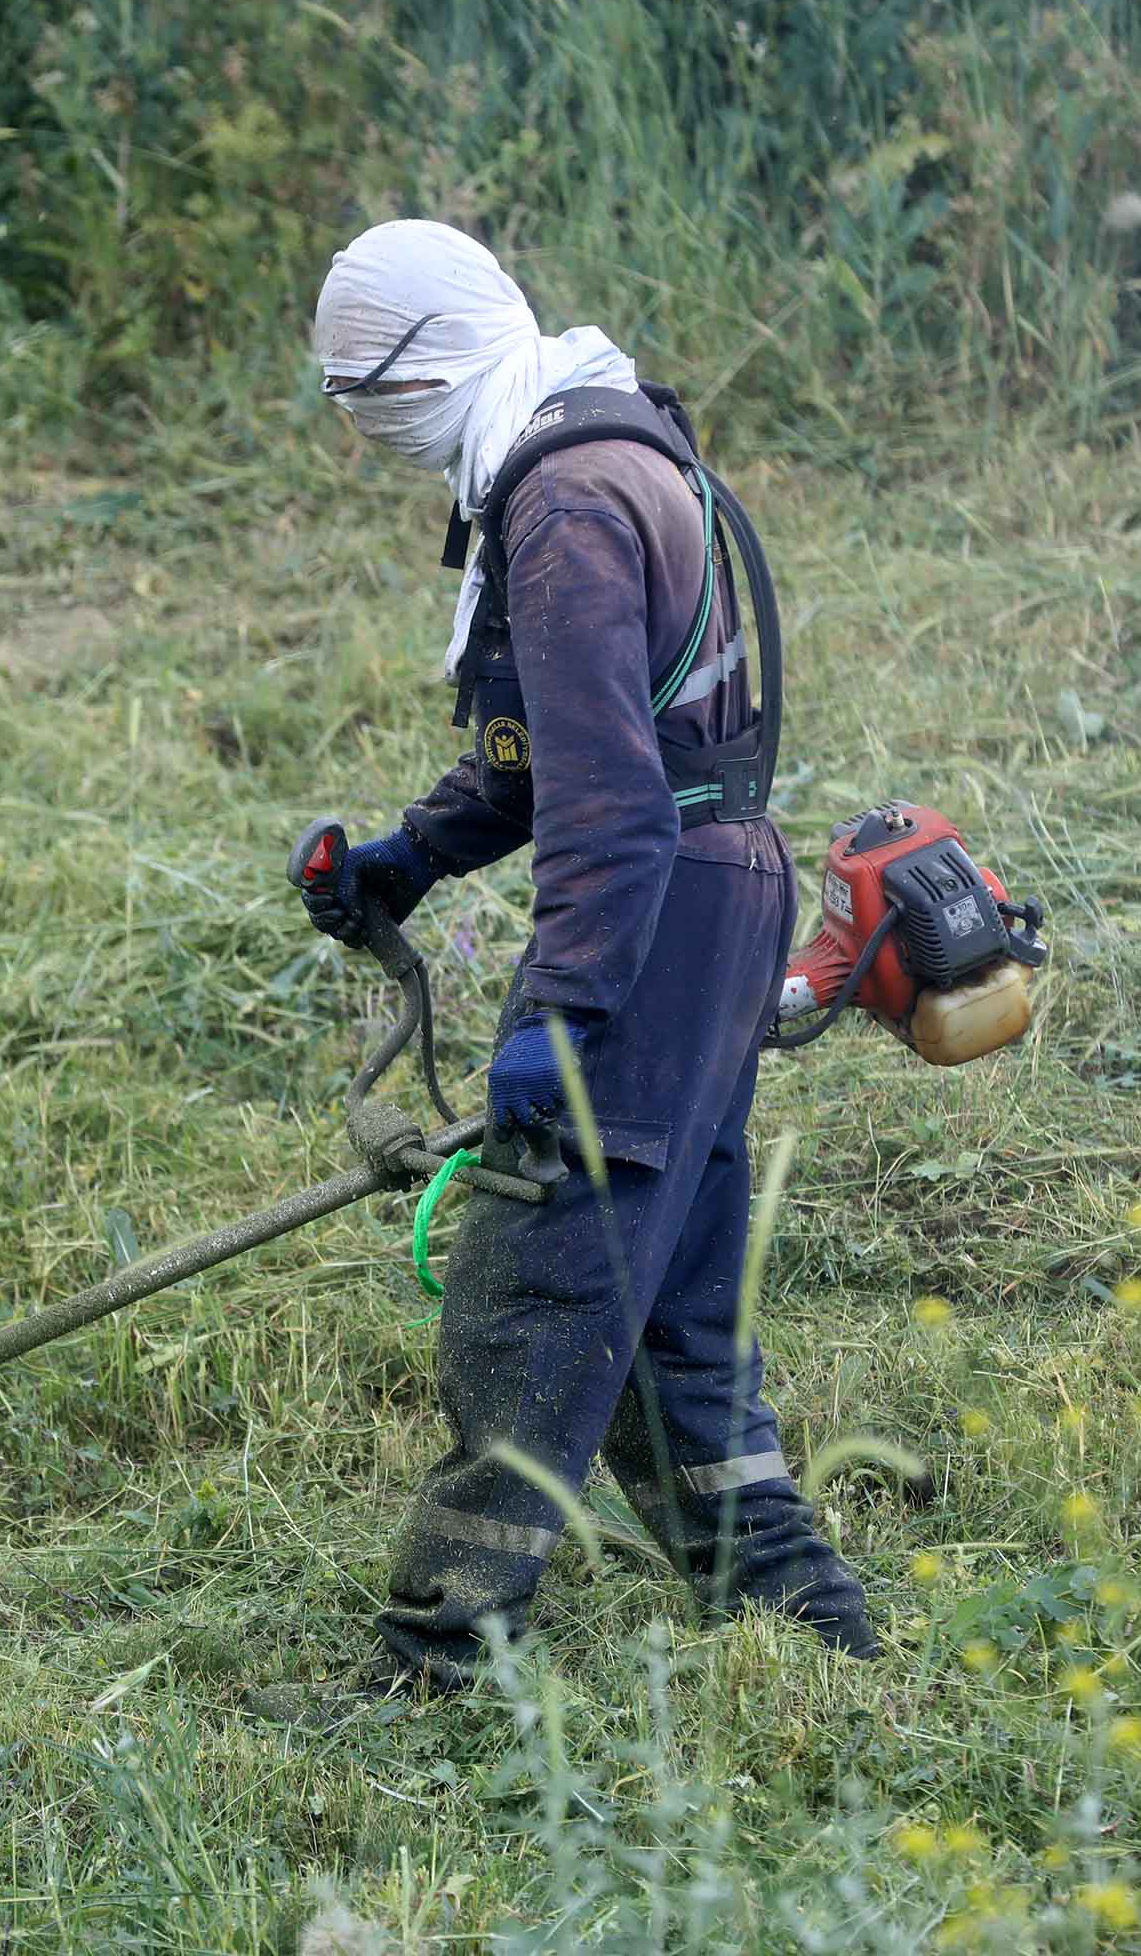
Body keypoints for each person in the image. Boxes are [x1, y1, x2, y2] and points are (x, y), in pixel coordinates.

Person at [301, 220, 877, 1689]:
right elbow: (549, 763)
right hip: (717, 898)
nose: (372, 439)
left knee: (537, 1289)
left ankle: (443, 1649)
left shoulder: (559, 502)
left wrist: (553, 1023)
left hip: (652, 915)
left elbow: (609, 813)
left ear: (417, 373)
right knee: (673, 1291)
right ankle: (793, 1604)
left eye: (367, 406)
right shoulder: (604, 448)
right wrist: (407, 858)